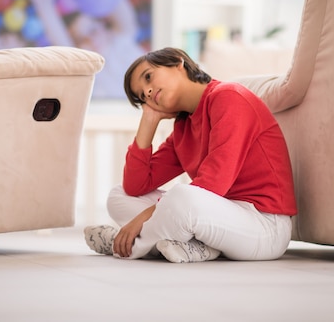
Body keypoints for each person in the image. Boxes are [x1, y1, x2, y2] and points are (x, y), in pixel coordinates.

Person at [84, 47, 297, 263]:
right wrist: (149, 120)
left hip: (264, 225)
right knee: (119, 196)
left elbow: (212, 186)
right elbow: (135, 186)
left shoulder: (228, 97)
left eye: (148, 77)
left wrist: (141, 220)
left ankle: (124, 246)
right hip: (219, 218)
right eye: (142, 96)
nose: (147, 92)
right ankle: (196, 248)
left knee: (181, 197)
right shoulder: (184, 126)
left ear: (178, 63)